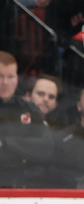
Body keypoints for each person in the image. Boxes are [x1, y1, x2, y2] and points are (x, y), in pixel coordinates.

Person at [0, 51, 53, 188]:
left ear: (17, 79)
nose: (5, 82)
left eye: (10, 77)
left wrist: (5, 142)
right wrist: (23, 153)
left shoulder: (29, 109)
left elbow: (46, 147)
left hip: (23, 186)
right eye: (0, 76)